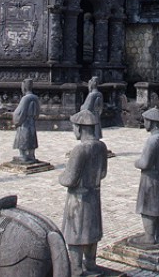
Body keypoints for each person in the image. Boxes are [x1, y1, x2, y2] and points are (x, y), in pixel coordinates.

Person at [60, 107, 108, 277]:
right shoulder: (101, 147)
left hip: (78, 199)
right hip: (94, 195)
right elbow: (103, 173)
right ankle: (91, 263)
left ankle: (76, 269)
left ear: (79, 128)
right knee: (91, 231)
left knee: (75, 234)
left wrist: (61, 177)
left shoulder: (80, 150)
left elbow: (69, 179)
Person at [130, 107, 159, 249]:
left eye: (146, 121)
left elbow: (145, 163)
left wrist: (136, 162)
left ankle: (149, 237)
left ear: (152, 123)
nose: (144, 123)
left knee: (147, 207)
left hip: (149, 178)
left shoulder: (152, 140)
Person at [12, 78, 40, 163]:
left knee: (23, 138)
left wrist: (16, 121)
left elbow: (20, 112)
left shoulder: (25, 99)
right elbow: (38, 111)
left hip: (24, 122)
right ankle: (31, 155)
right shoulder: (35, 97)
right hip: (31, 121)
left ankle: (23, 156)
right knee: (31, 138)